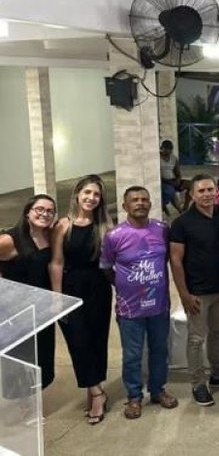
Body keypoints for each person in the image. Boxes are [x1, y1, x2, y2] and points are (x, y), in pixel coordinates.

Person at [169, 175, 219, 407]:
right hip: (197, 292)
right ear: (192, 194)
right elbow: (176, 261)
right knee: (196, 338)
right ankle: (198, 384)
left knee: (218, 332)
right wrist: (184, 294)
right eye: (201, 191)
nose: (207, 194)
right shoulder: (181, 223)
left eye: (210, 189)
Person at [100, 187, 178, 418]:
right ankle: (134, 396)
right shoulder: (114, 236)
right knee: (132, 354)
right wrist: (123, 285)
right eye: (134, 200)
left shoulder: (162, 229)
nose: (140, 203)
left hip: (159, 305)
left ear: (150, 204)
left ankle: (158, 390)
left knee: (160, 350)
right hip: (130, 309)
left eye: (144, 199)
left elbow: (166, 259)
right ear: (125, 206)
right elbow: (106, 268)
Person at [49, 175, 113, 424]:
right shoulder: (63, 225)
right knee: (78, 342)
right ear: (77, 194)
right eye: (87, 192)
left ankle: (93, 389)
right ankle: (97, 393)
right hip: (71, 288)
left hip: (98, 287)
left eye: (96, 194)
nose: (91, 198)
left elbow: (112, 261)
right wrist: (57, 298)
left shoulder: (105, 225)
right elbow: (56, 262)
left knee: (97, 340)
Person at [0, 195, 58, 389]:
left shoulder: (48, 235)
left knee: (42, 361)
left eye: (50, 211)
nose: (45, 214)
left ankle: (37, 399)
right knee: (21, 364)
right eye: (39, 209)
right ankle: (22, 404)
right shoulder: (9, 240)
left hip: (42, 309)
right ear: (27, 212)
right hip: (16, 313)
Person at [160, 139, 185, 214]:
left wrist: (178, 180)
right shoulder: (157, 158)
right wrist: (168, 182)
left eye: (170, 149)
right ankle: (163, 205)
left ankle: (185, 207)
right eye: (166, 149)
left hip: (173, 179)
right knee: (170, 191)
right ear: (162, 148)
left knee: (191, 185)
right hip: (163, 181)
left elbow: (178, 172)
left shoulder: (174, 158)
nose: (168, 151)